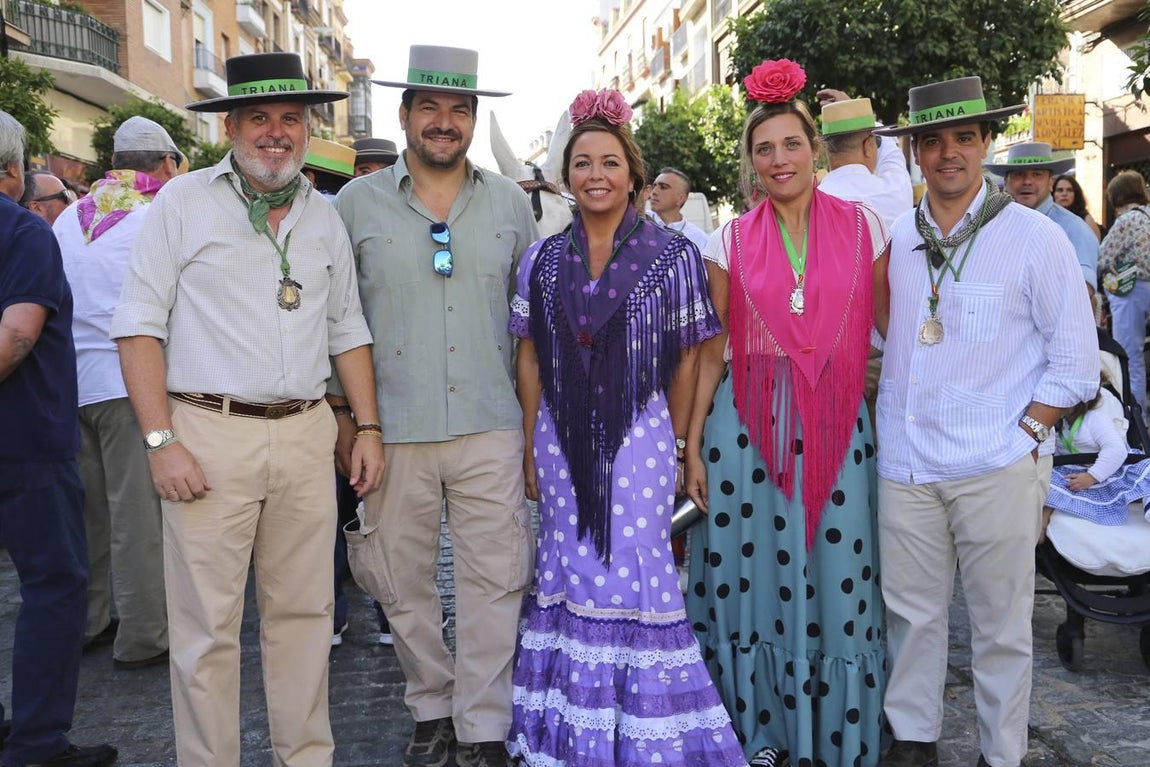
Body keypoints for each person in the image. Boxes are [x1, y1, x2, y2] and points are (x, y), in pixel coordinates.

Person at [109, 52, 384, 767]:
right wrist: (161, 439)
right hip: (207, 435)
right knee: (206, 631)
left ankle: (306, 758)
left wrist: (368, 425)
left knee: (306, 618)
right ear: (229, 125)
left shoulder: (325, 217)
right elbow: (139, 326)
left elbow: (348, 328)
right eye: (258, 118)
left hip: (304, 437)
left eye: (289, 119)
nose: (275, 133)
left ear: (305, 129)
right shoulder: (184, 202)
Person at [504, 88, 746, 767]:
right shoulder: (542, 260)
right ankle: (574, 735)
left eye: (610, 161)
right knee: (568, 569)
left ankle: (645, 735)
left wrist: (683, 443)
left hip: (642, 439)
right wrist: (529, 442)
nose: (596, 175)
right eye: (582, 162)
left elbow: (698, 352)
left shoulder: (672, 258)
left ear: (634, 174)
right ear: (565, 175)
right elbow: (527, 354)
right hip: (559, 440)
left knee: (636, 574)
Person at [873, 76, 1098, 767]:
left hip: (996, 465)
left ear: (984, 145)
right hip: (906, 465)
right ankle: (914, 741)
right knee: (910, 619)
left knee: (1001, 629)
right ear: (912, 151)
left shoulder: (1036, 239)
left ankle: (1000, 754)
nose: (948, 153)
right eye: (931, 140)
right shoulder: (893, 239)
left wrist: (1023, 437)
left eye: (963, 138)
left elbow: (1077, 363)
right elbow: (886, 333)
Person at [333, 45, 538, 767]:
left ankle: (482, 723)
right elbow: (336, 320)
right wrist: (346, 419)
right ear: (405, 115)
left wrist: (534, 428)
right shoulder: (353, 205)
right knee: (396, 576)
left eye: (459, 110)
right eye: (430, 107)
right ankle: (431, 702)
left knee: (495, 578)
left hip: (490, 421)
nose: (444, 123)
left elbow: (531, 328)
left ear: (474, 121)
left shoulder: (513, 203)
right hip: (391, 426)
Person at [684, 59, 890, 767]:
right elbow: (710, 352)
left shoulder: (867, 229)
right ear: (751, 163)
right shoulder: (727, 240)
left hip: (836, 429)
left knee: (839, 578)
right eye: (763, 149)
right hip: (744, 433)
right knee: (755, 586)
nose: (779, 159)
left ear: (815, 149)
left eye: (791, 144)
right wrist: (690, 448)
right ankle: (762, 732)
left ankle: (833, 736)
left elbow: (887, 331)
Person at [0, 109, 118, 767]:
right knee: (55, 585)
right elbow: (15, 338)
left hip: (28, 440)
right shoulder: (24, 231)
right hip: (28, 443)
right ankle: (37, 742)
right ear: (14, 170)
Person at [54, 116, 183, 670]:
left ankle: (90, 621)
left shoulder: (66, 217)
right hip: (130, 384)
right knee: (136, 519)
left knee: (89, 519)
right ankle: (144, 636)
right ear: (166, 164)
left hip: (71, 385)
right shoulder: (158, 217)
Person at [985, 142, 1099, 299]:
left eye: (1037, 174)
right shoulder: (990, 224)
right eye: (1019, 174)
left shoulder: (1074, 228)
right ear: (1006, 182)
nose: (1027, 181)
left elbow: (1083, 290)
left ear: (1051, 182)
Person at [1042, 379, 1150, 530]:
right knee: (1045, 481)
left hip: (1108, 468)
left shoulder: (1095, 418)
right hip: (1077, 470)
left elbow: (1116, 450)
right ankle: (1042, 523)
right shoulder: (1062, 423)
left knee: (1146, 472)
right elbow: (1059, 455)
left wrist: (1092, 476)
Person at [816, 90, 913, 231]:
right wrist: (854, 110)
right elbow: (891, 154)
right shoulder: (895, 190)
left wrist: (849, 111)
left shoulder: (813, 201)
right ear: (868, 146)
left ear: (825, 149)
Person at [1099, 169, 1150, 411]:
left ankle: (1135, 414)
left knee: (1130, 355)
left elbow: (1103, 257)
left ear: (1117, 195)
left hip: (1131, 291)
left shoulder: (1126, 221)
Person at [648, 166, 709, 251]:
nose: (654, 192)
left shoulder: (699, 239)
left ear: (681, 199)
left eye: (663, 187)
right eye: (654, 186)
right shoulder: (637, 223)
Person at [1054, 173, 1102, 241]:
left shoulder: (1085, 219)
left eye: (1069, 190)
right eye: (1060, 190)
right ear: (1053, 194)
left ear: (1075, 194)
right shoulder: (1047, 217)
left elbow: (1095, 246)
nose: (1064, 194)